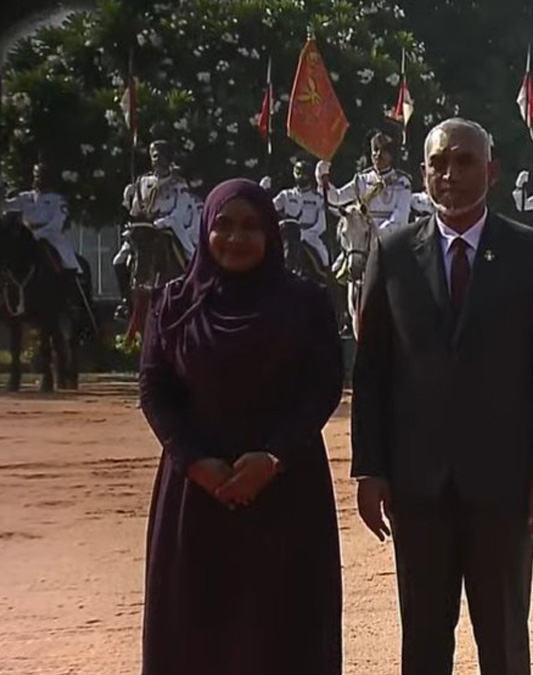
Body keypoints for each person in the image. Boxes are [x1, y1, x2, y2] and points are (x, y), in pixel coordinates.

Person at [351, 118, 533, 675]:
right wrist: (370, 470)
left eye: (464, 162)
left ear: (492, 171)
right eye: (438, 163)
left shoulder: (530, 253)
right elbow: (373, 370)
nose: (449, 175)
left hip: (504, 487)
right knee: (423, 642)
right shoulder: (394, 251)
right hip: (417, 485)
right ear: (424, 170)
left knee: (503, 641)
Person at [138, 179, 344, 675]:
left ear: (271, 234)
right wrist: (194, 461)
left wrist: (272, 457)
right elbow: (155, 389)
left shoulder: (306, 302)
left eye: (252, 226)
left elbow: (321, 388)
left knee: (284, 632)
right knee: (193, 633)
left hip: (286, 491)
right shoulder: (171, 304)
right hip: (195, 494)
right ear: (206, 228)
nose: (236, 238)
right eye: (224, 226)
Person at [113, 140, 195, 315]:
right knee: (119, 260)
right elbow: (137, 207)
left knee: (191, 254)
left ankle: (192, 287)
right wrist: (133, 211)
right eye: (153, 156)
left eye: (159, 156)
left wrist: (159, 223)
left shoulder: (178, 184)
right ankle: (127, 302)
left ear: (167, 157)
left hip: (168, 227)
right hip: (143, 228)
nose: (156, 159)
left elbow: (179, 212)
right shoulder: (143, 181)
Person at [321, 131, 413, 231]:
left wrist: (380, 233)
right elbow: (337, 198)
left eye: (383, 151)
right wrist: (323, 179)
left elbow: (401, 216)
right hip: (365, 239)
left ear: (391, 155)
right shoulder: (362, 181)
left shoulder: (402, 182)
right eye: (375, 150)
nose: (378, 155)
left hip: (392, 238)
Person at [2, 163, 81, 277]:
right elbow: (6, 206)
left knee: (65, 256)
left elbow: (56, 223)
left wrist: (37, 233)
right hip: (25, 235)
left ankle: (73, 281)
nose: (38, 179)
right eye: (36, 176)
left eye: (41, 177)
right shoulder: (26, 197)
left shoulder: (58, 200)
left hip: (49, 236)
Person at [272, 158, 331, 268]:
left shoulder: (318, 198)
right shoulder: (286, 195)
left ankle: (328, 278)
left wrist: (306, 234)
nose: (301, 177)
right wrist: (263, 189)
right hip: (287, 235)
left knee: (324, 255)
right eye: (299, 173)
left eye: (304, 174)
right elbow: (269, 208)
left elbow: (322, 224)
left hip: (310, 236)